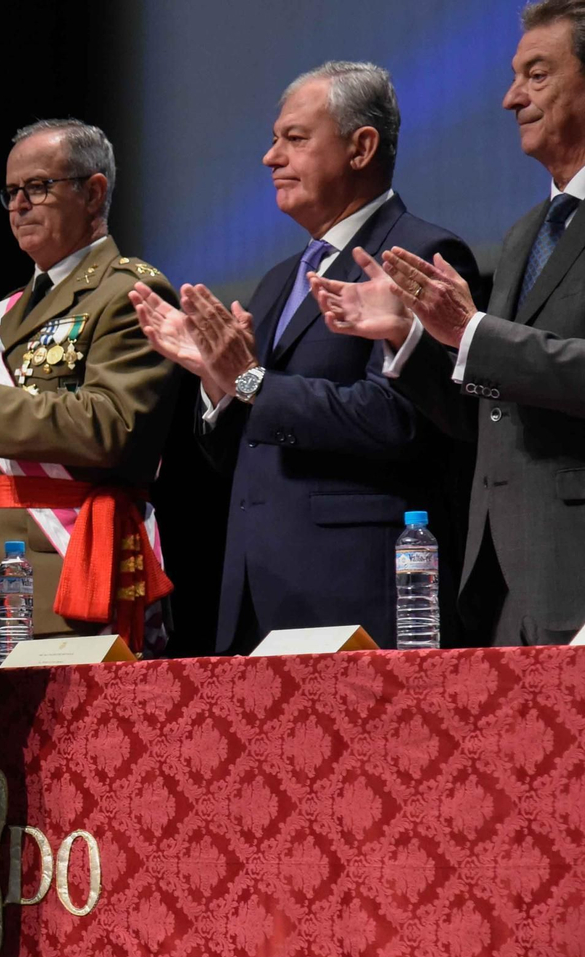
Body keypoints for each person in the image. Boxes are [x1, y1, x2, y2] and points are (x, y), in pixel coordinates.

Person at [130, 62, 478, 653]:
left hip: (359, 589)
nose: (270, 157)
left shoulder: (420, 256)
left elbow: (399, 419)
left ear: (361, 148)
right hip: (255, 591)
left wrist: (248, 379)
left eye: (294, 139)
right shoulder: (275, 281)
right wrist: (216, 384)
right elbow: (237, 447)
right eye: (273, 139)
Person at [311, 1, 585, 646]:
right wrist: (409, 339)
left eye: (537, 75)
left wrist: (472, 333)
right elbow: (492, 409)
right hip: (503, 583)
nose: (510, 98)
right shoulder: (525, 233)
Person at [0, 119, 179, 665]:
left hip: (75, 576)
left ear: (93, 192)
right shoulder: (1, 315)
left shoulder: (129, 293)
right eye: (10, 192)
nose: (19, 206)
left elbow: (112, 429)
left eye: (38, 188)